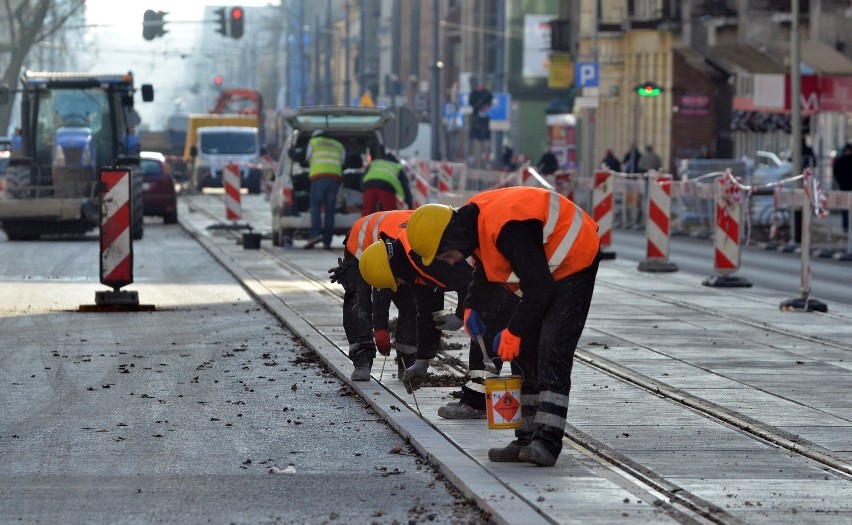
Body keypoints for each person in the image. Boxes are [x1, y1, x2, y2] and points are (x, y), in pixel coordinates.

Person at [403, 187, 602, 467]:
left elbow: (539, 287)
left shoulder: (507, 227)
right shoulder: (474, 225)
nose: (450, 262)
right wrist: (472, 306)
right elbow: (487, 267)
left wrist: (514, 330)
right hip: (542, 267)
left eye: (447, 255)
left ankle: (547, 442)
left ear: (451, 237)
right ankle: (526, 438)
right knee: (523, 353)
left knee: (551, 348)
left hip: (575, 258)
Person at [328, 210, 472, 385]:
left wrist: (422, 360)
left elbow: (429, 307)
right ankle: (362, 358)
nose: (397, 285)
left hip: (394, 247)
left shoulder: (423, 257)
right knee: (359, 298)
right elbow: (382, 286)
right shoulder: (401, 260)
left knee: (410, 299)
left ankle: (407, 358)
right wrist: (380, 327)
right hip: (361, 243)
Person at [305, 130, 346, 250]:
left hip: (318, 177)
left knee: (315, 205)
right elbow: (343, 162)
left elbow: (306, 157)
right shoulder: (339, 145)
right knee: (330, 209)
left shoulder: (313, 142)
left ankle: (315, 235)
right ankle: (327, 240)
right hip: (334, 179)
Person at [361, 151, 413, 215]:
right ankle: (389, 225)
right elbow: (405, 186)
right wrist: (409, 203)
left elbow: (363, 177)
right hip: (386, 188)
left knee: (367, 211)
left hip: (369, 186)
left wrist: (363, 188)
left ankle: (365, 225)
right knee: (390, 213)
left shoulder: (374, 163)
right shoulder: (397, 166)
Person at [833, 143, 852, 232]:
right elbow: (836, 172)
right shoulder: (840, 160)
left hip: (846, 185)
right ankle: (845, 226)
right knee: (844, 208)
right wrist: (839, 181)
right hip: (844, 185)